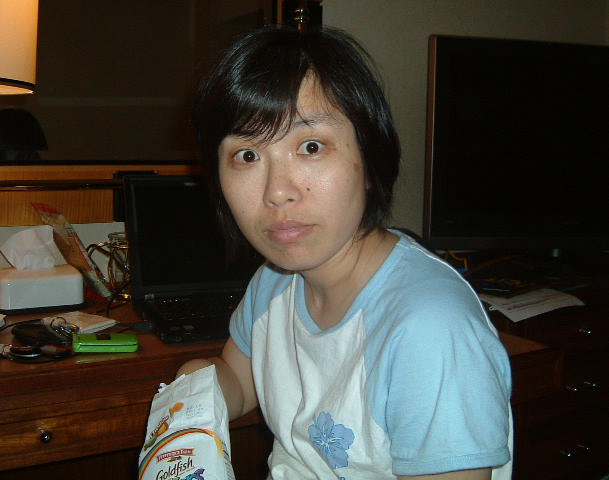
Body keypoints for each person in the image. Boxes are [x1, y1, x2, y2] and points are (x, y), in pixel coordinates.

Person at [178, 26, 512, 480]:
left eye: (311, 146)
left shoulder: (430, 328)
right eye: (247, 156)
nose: (277, 191)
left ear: (371, 163)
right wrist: (194, 391)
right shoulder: (274, 281)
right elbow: (238, 379)